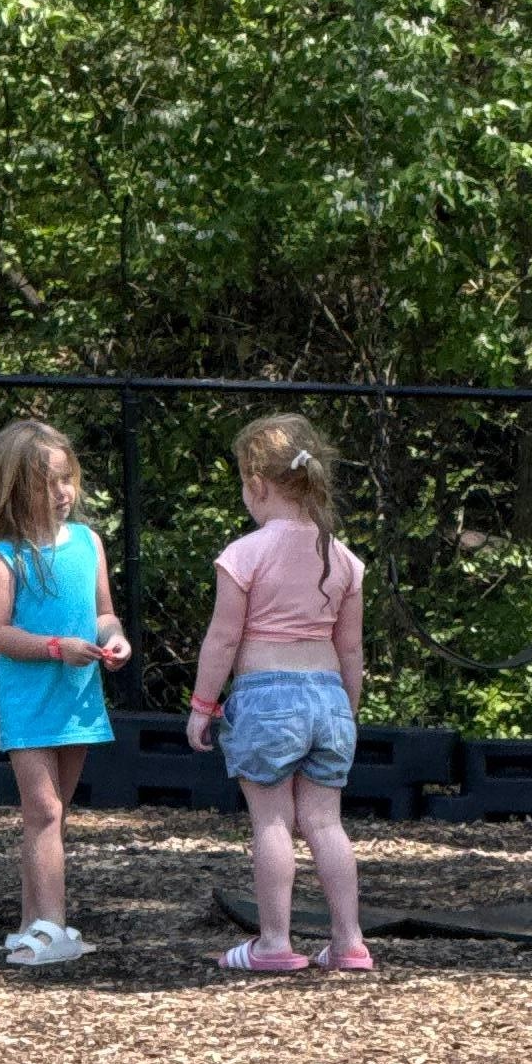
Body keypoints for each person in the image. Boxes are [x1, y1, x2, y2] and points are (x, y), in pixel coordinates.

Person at [186, 408, 375, 979]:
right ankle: (349, 941)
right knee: (325, 823)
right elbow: (350, 649)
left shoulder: (244, 554)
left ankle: (273, 941)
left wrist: (203, 706)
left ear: (257, 484)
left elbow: (223, 638)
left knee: (271, 822)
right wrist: (348, 709)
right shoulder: (343, 558)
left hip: (267, 698)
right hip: (329, 699)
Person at [0, 415, 131, 969]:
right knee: (42, 810)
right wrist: (53, 647)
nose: (64, 492)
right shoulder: (5, 555)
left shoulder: (88, 543)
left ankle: (32, 925)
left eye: (67, 479)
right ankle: (52, 927)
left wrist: (114, 639)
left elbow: (104, 612)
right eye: (48, 484)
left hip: (78, 698)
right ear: (16, 490)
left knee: (52, 815)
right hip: (29, 701)